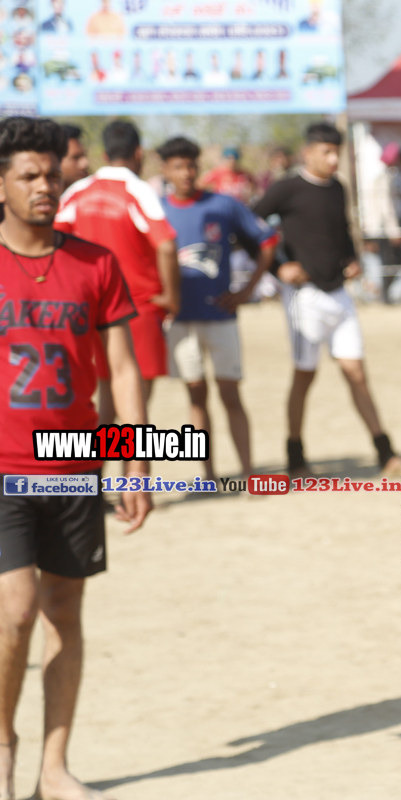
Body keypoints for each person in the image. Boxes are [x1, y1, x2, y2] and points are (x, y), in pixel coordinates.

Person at [0, 115, 151, 800]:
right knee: (15, 609)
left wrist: (136, 461)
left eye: (51, 173)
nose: (44, 186)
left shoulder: (96, 263)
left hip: (74, 464)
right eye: (28, 175)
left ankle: (53, 770)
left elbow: (123, 370)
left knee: (64, 611)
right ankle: (4, 745)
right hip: (5, 470)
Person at [253, 122, 401, 478]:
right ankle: (295, 456)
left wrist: (352, 259)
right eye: (326, 151)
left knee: (357, 374)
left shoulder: (338, 187)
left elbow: (341, 231)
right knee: (304, 376)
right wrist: (277, 267)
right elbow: (248, 225)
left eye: (337, 151)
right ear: (308, 153)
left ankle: (385, 453)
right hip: (304, 298)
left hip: (339, 294)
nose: (334, 158)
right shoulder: (286, 188)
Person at [158, 137, 278, 482]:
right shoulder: (157, 211)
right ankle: (208, 475)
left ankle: (248, 473)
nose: (186, 172)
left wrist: (247, 290)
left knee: (231, 394)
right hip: (180, 321)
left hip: (221, 317)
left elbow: (268, 240)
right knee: (196, 396)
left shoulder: (223, 205)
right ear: (165, 170)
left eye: (191, 165)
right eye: (178, 166)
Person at [55, 121, 180, 424]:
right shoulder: (138, 190)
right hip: (137, 308)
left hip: (91, 309)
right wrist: (172, 297)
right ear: (139, 153)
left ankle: (99, 457)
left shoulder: (78, 191)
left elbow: (53, 239)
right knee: (135, 406)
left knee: (107, 398)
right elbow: (165, 245)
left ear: (104, 153)